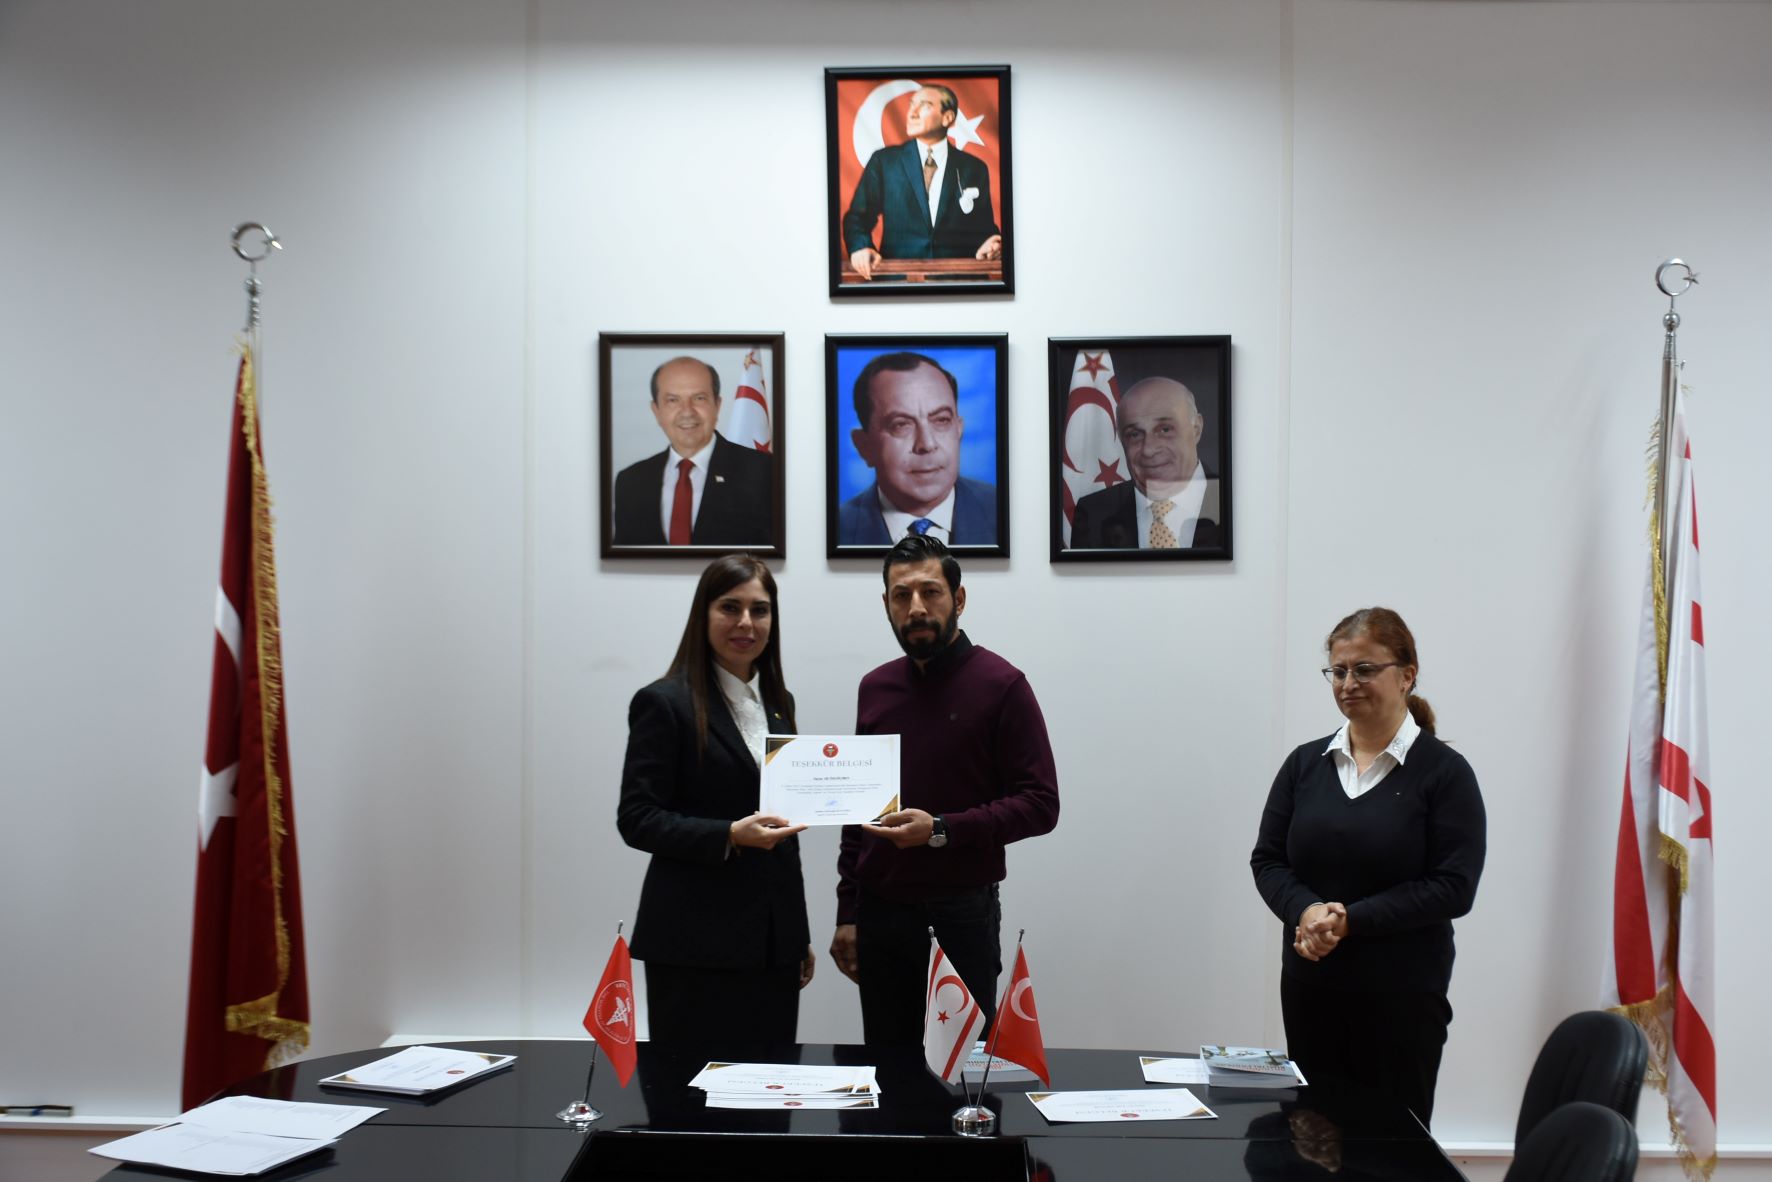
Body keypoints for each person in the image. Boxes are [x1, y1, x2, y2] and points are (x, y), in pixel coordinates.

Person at [1249, 608, 1485, 1126]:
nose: (1348, 683)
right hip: (1311, 991)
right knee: (1311, 1139)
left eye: (1364, 669)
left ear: (1407, 675)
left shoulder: (1445, 774)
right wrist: (1307, 911)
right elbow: (1268, 860)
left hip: (1402, 999)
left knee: (1390, 1147)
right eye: (1338, 671)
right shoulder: (1304, 765)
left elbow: (1454, 886)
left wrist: (1350, 920)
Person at [830, 535, 1059, 1044]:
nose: (916, 607)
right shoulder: (875, 687)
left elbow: (1041, 804)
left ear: (958, 598)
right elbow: (857, 811)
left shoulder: (1002, 685)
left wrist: (941, 829)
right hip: (880, 913)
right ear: (887, 605)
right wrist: (848, 911)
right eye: (901, 595)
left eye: (930, 592)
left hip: (961, 915)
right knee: (888, 1065)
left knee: (959, 1073)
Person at [616, 555, 813, 1043]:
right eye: (730, 607)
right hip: (693, 944)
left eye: (759, 610)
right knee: (688, 1087)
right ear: (703, 614)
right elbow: (637, 818)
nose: (746, 622)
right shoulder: (664, 702)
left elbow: (785, 830)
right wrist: (729, 835)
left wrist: (795, 933)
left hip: (772, 946)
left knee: (771, 1084)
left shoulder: (779, 704)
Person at [842, 84, 1003, 281]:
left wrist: (992, 242)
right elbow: (857, 217)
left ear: (948, 117)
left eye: (924, 105)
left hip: (960, 284)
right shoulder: (884, 162)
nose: (912, 113)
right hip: (898, 284)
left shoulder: (974, 167)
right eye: (911, 105)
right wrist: (860, 247)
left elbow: (983, 228)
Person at [837, 352, 998, 546]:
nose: (927, 444)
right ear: (864, 446)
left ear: (959, 430)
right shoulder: (838, 529)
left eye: (941, 420)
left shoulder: (1003, 512)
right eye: (901, 425)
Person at [612, 356, 774, 546]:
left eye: (699, 398)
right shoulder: (630, 482)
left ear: (717, 405)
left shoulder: (765, 472)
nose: (687, 411)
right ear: (656, 410)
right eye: (673, 400)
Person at [1069, 376, 1223, 549]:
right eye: (1134, 434)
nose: (1148, 449)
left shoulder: (1236, 502)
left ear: (1196, 429)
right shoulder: (1092, 515)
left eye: (1165, 430)